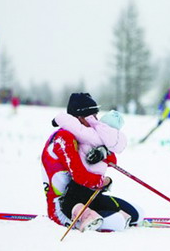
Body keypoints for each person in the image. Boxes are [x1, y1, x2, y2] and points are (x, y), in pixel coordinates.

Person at [41, 93, 140, 232]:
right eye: (92, 116)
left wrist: (103, 152)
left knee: (136, 213)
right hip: (63, 207)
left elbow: (112, 160)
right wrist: (103, 182)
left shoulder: (83, 136)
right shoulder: (64, 138)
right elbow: (80, 176)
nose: (96, 120)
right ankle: (91, 218)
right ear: (80, 118)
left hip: (87, 195)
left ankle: (108, 216)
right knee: (117, 222)